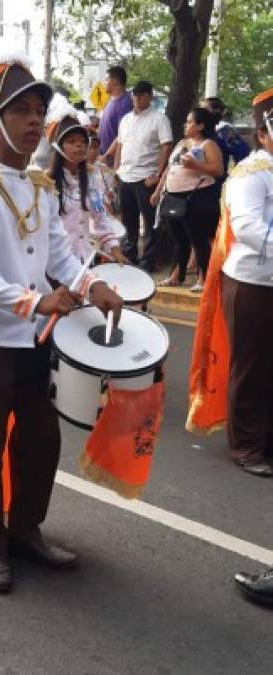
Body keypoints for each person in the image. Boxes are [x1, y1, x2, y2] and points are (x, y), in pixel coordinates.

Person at [0, 41, 123, 593]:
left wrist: (91, 282)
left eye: (40, 112)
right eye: (22, 111)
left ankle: (26, 531)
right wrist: (36, 301)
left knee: (41, 440)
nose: (36, 121)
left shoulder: (41, 185)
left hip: (38, 341)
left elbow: (60, 254)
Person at [186, 88, 273, 477]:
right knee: (252, 367)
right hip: (254, 283)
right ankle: (247, 446)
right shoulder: (250, 175)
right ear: (263, 134)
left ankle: (266, 439)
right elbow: (249, 229)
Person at [46, 95, 127, 264]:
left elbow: (100, 216)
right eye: (72, 141)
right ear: (58, 147)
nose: (80, 145)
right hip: (56, 262)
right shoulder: (46, 183)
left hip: (84, 259)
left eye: (83, 141)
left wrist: (114, 249)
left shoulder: (91, 178)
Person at [152, 107, 223, 292]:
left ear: (200, 125)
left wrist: (196, 165)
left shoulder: (208, 144)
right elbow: (169, 169)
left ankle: (203, 278)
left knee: (197, 239)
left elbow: (218, 170)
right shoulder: (182, 142)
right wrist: (158, 190)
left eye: (190, 121)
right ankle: (177, 274)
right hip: (173, 195)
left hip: (196, 196)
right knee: (179, 238)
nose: (186, 125)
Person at [115, 80, 173, 272]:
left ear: (149, 96)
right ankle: (129, 256)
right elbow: (120, 146)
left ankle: (148, 261)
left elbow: (166, 147)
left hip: (145, 177)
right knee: (128, 220)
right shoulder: (125, 119)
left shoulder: (159, 119)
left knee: (149, 222)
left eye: (141, 94)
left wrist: (158, 174)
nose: (137, 98)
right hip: (125, 175)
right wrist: (116, 170)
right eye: (135, 95)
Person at [202, 97, 250, 186]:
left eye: (205, 109)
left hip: (215, 184)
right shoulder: (200, 130)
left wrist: (235, 178)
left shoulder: (224, 131)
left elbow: (243, 154)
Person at [97, 66, 133, 162]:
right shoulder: (110, 101)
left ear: (115, 81)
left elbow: (123, 134)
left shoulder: (125, 103)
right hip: (102, 157)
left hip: (114, 161)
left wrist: (107, 155)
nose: (104, 83)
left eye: (107, 79)